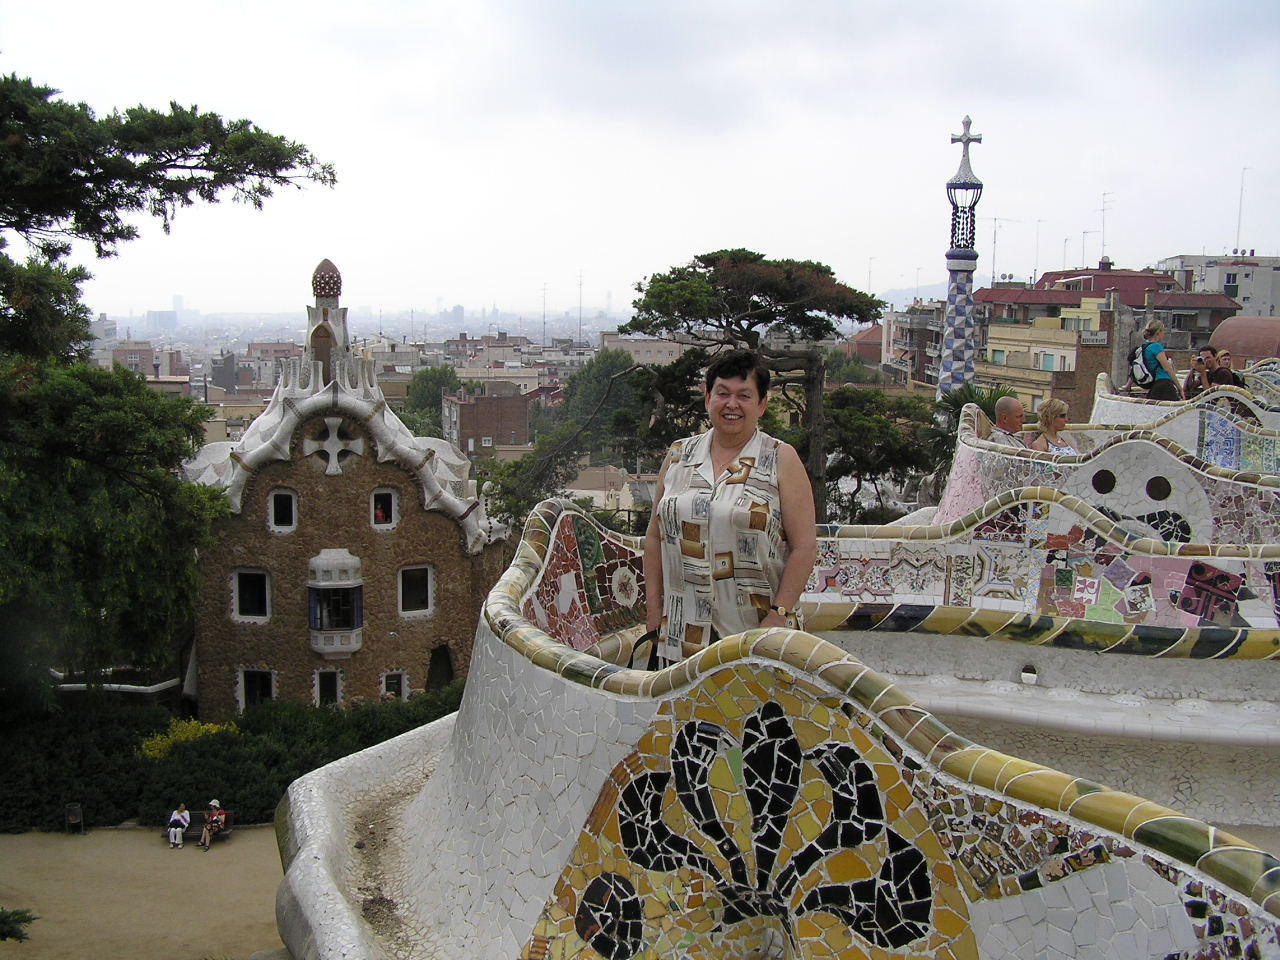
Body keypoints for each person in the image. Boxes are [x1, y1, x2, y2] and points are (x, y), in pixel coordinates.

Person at [643, 350, 817, 666]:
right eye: (722, 393)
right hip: (683, 635)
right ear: (708, 398)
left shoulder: (780, 458)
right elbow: (655, 537)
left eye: (744, 395)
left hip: (758, 634)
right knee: (686, 715)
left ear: (762, 404)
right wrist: (654, 611)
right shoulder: (679, 456)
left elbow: (804, 547)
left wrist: (778, 615)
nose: (731, 404)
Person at [1138, 320, 1182, 401]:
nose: (1164, 333)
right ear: (1158, 332)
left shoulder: (1143, 347)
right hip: (1164, 384)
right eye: (1163, 330)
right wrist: (1180, 388)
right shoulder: (1156, 347)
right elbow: (1167, 368)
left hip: (1154, 385)